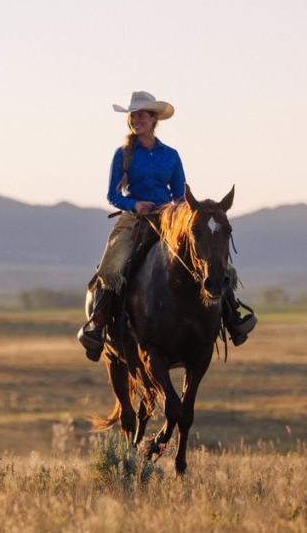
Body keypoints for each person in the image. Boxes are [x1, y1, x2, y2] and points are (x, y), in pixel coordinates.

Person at [77, 91, 256, 362]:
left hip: (170, 219)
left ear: (154, 119)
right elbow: (112, 195)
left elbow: (181, 194)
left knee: (213, 259)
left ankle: (233, 317)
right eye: (133, 116)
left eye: (141, 115)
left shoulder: (170, 155)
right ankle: (98, 328)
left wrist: (176, 212)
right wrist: (134, 204)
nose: (136, 120)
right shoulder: (123, 154)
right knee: (111, 266)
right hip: (134, 219)